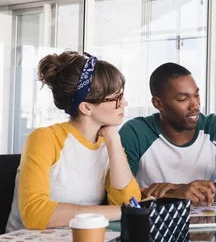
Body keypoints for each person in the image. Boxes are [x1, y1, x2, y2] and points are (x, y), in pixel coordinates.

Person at [5, 51, 141, 232]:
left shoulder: (107, 144)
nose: (124, 102)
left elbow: (129, 202)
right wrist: (118, 211)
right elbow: (35, 214)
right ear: (86, 107)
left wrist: (113, 139)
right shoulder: (45, 139)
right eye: (115, 98)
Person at [119, 62, 216, 205]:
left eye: (196, 95)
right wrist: (174, 195)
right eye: (183, 99)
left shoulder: (215, 127)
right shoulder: (135, 132)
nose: (195, 106)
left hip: (205, 224)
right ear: (158, 104)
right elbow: (119, 193)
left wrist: (186, 190)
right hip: (152, 223)